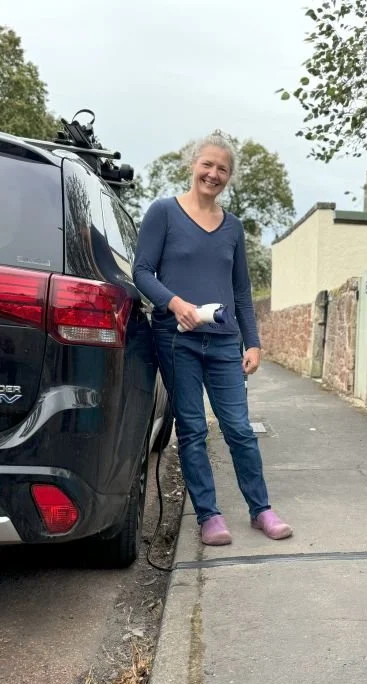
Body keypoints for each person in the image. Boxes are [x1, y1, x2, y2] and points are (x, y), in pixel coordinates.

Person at [133, 133, 292, 546]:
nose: (213, 174)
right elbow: (142, 272)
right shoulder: (164, 213)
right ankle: (209, 516)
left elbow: (241, 291)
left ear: (229, 176)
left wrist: (252, 342)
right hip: (177, 339)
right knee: (190, 430)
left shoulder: (233, 228)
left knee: (239, 428)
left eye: (222, 169)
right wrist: (173, 302)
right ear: (192, 165)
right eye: (207, 164)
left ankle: (261, 510)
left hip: (223, 342)